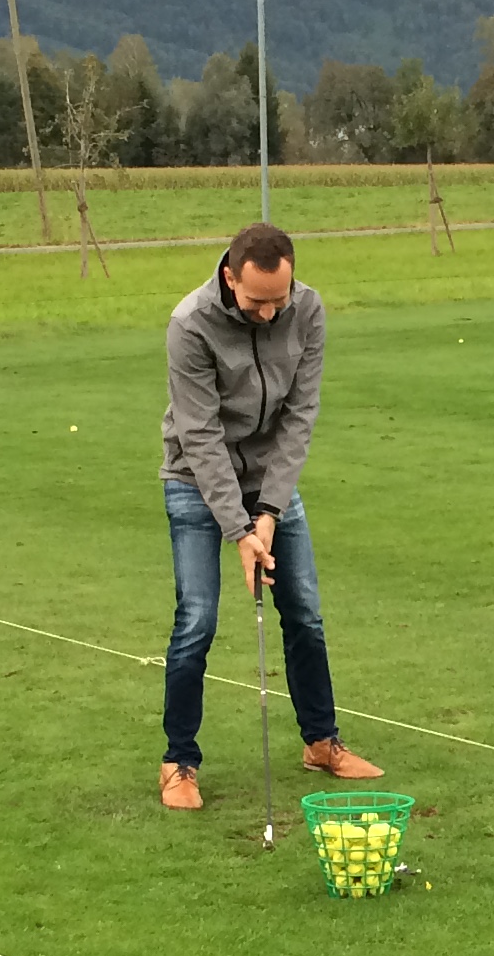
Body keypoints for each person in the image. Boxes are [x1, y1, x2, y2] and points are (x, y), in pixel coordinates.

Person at [154, 221, 381, 810]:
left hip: (271, 484)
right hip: (195, 482)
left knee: (303, 612)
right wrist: (239, 529)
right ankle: (179, 762)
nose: (269, 312)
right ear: (230, 278)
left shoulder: (306, 310)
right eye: (257, 301)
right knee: (197, 620)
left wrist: (270, 514)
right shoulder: (190, 325)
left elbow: (299, 417)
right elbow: (200, 437)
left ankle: (321, 742)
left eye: (279, 298)